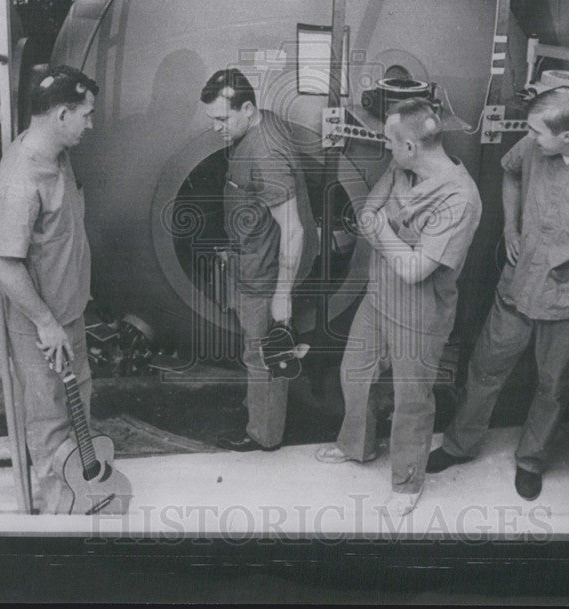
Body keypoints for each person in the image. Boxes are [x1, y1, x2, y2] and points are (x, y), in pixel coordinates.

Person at [426, 86, 569, 501]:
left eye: (538, 132)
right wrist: (509, 227)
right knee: (484, 369)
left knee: (553, 387)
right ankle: (458, 445)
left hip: (568, 301)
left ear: (567, 136)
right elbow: (512, 170)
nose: (531, 138)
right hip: (518, 285)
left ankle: (530, 460)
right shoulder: (535, 144)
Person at [315, 98, 482, 518]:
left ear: (410, 146)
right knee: (354, 373)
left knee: (412, 401)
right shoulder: (401, 166)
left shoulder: (459, 200)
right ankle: (357, 445)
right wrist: (384, 231)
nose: (384, 147)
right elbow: (369, 210)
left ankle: (407, 484)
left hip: (419, 314)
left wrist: (381, 231)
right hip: (379, 296)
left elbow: (414, 270)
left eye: (390, 141)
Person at [0, 65, 98, 514]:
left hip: (69, 314)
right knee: (51, 423)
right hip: (42, 327)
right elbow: (3, 263)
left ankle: (84, 498)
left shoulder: (60, 156)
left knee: (78, 413)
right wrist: (47, 323)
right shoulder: (20, 180)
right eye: (86, 115)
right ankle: (60, 520)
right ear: (62, 115)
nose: (91, 124)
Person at [201, 68, 320, 452]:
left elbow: (294, 230)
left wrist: (281, 293)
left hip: (266, 272)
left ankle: (264, 434)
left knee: (262, 352)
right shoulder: (259, 124)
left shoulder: (265, 152)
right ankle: (262, 404)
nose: (217, 128)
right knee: (263, 348)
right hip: (256, 256)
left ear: (248, 107)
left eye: (222, 119)